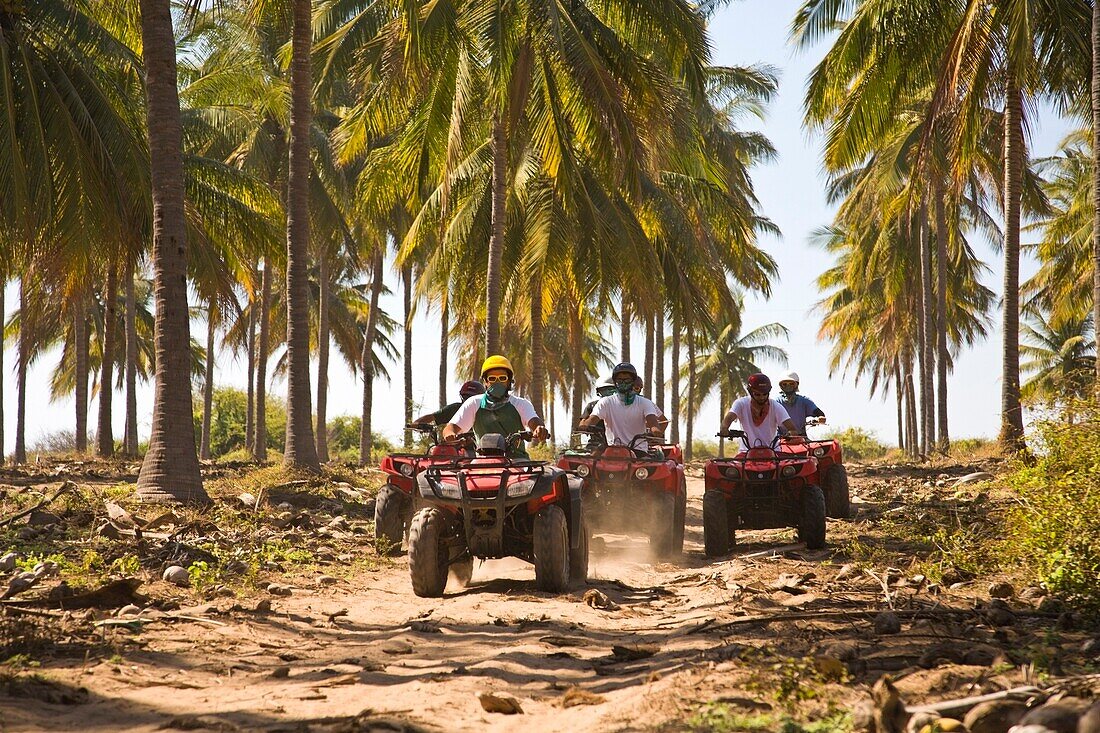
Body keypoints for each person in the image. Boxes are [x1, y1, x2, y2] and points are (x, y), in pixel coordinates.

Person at [442, 355, 549, 458]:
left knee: (531, 477)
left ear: (509, 381)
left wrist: (538, 428)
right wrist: (450, 433)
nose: (497, 382)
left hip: (517, 460)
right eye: (492, 378)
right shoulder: (474, 403)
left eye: (502, 378)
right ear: (485, 382)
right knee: (463, 476)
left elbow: (534, 421)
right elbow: (451, 427)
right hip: (482, 462)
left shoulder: (521, 404)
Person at [580, 363, 664, 451]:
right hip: (612, 450)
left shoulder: (645, 403)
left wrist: (655, 430)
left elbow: (652, 420)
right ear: (615, 382)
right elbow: (593, 418)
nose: (623, 383)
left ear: (633, 381)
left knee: (646, 464)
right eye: (620, 380)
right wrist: (585, 425)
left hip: (638, 451)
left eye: (627, 380)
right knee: (593, 462)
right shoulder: (606, 402)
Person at [720, 373, 804, 449]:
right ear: (750, 392)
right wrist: (724, 428)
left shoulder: (776, 406)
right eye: (757, 394)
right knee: (731, 466)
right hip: (746, 452)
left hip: (772, 452)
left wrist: (790, 434)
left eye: (765, 394)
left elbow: (792, 429)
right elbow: (730, 416)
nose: (762, 397)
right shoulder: (741, 404)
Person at [410, 381, 486, 430]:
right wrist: (416, 423)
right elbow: (432, 417)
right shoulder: (455, 409)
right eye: (466, 396)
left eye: (473, 398)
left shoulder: (487, 412)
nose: (469, 401)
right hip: (456, 449)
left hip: (482, 450)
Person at [776, 371, 826, 436]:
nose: (788, 386)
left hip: (801, 437)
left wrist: (820, 418)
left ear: (796, 385)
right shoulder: (776, 402)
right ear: (781, 386)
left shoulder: (804, 401)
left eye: (791, 383)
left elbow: (820, 414)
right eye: (785, 384)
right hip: (780, 439)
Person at [579, 377, 617, 448]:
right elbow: (583, 421)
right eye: (604, 390)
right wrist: (584, 426)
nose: (608, 392)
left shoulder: (621, 406)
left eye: (611, 389)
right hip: (596, 442)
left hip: (619, 443)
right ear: (598, 392)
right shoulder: (592, 405)